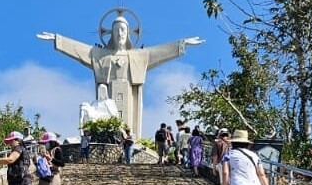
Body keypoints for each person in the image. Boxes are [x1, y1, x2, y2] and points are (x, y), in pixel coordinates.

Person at [37, 11, 204, 138]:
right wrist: (58, 40)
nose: (120, 34)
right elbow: (79, 49)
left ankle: (129, 138)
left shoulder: (139, 55)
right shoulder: (101, 55)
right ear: (111, 33)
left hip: (130, 94)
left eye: (123, 30)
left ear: (129, 33)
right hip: (109, 94)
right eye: (116, 30)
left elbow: (160, 51)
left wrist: (182, 44)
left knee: (128, 122)